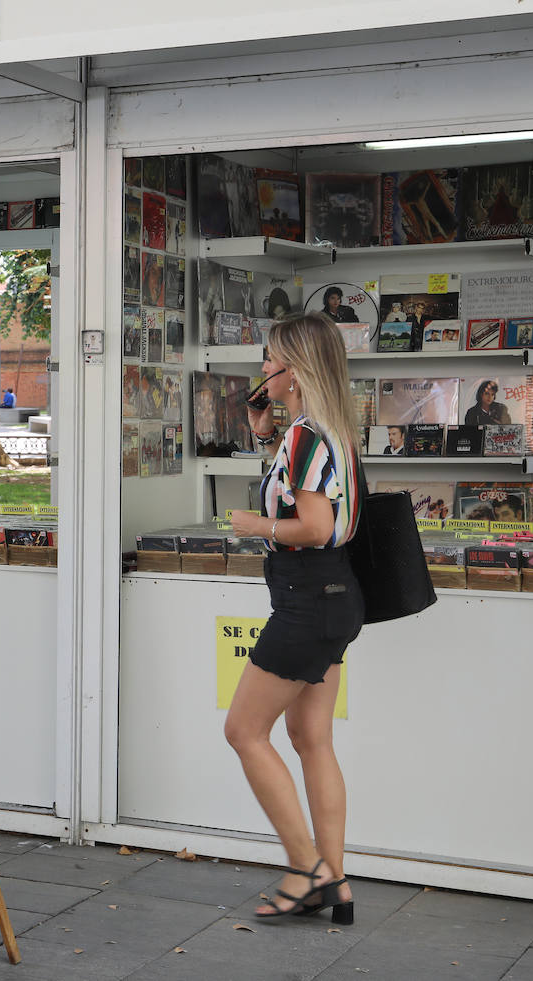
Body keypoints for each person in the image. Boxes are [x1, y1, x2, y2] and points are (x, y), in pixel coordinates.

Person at [228, 312, 367, 925]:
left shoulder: (309, 435)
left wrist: (252, 525)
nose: (262, 369)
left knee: (243, 731)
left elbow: (311, 527)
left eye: (269, 360)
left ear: (294, 370)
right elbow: (316, 510)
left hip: (307, 597)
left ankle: (304, 866)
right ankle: (334, 882)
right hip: (334, 598)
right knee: (312, 740)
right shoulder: (329, 429)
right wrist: (265, 435)